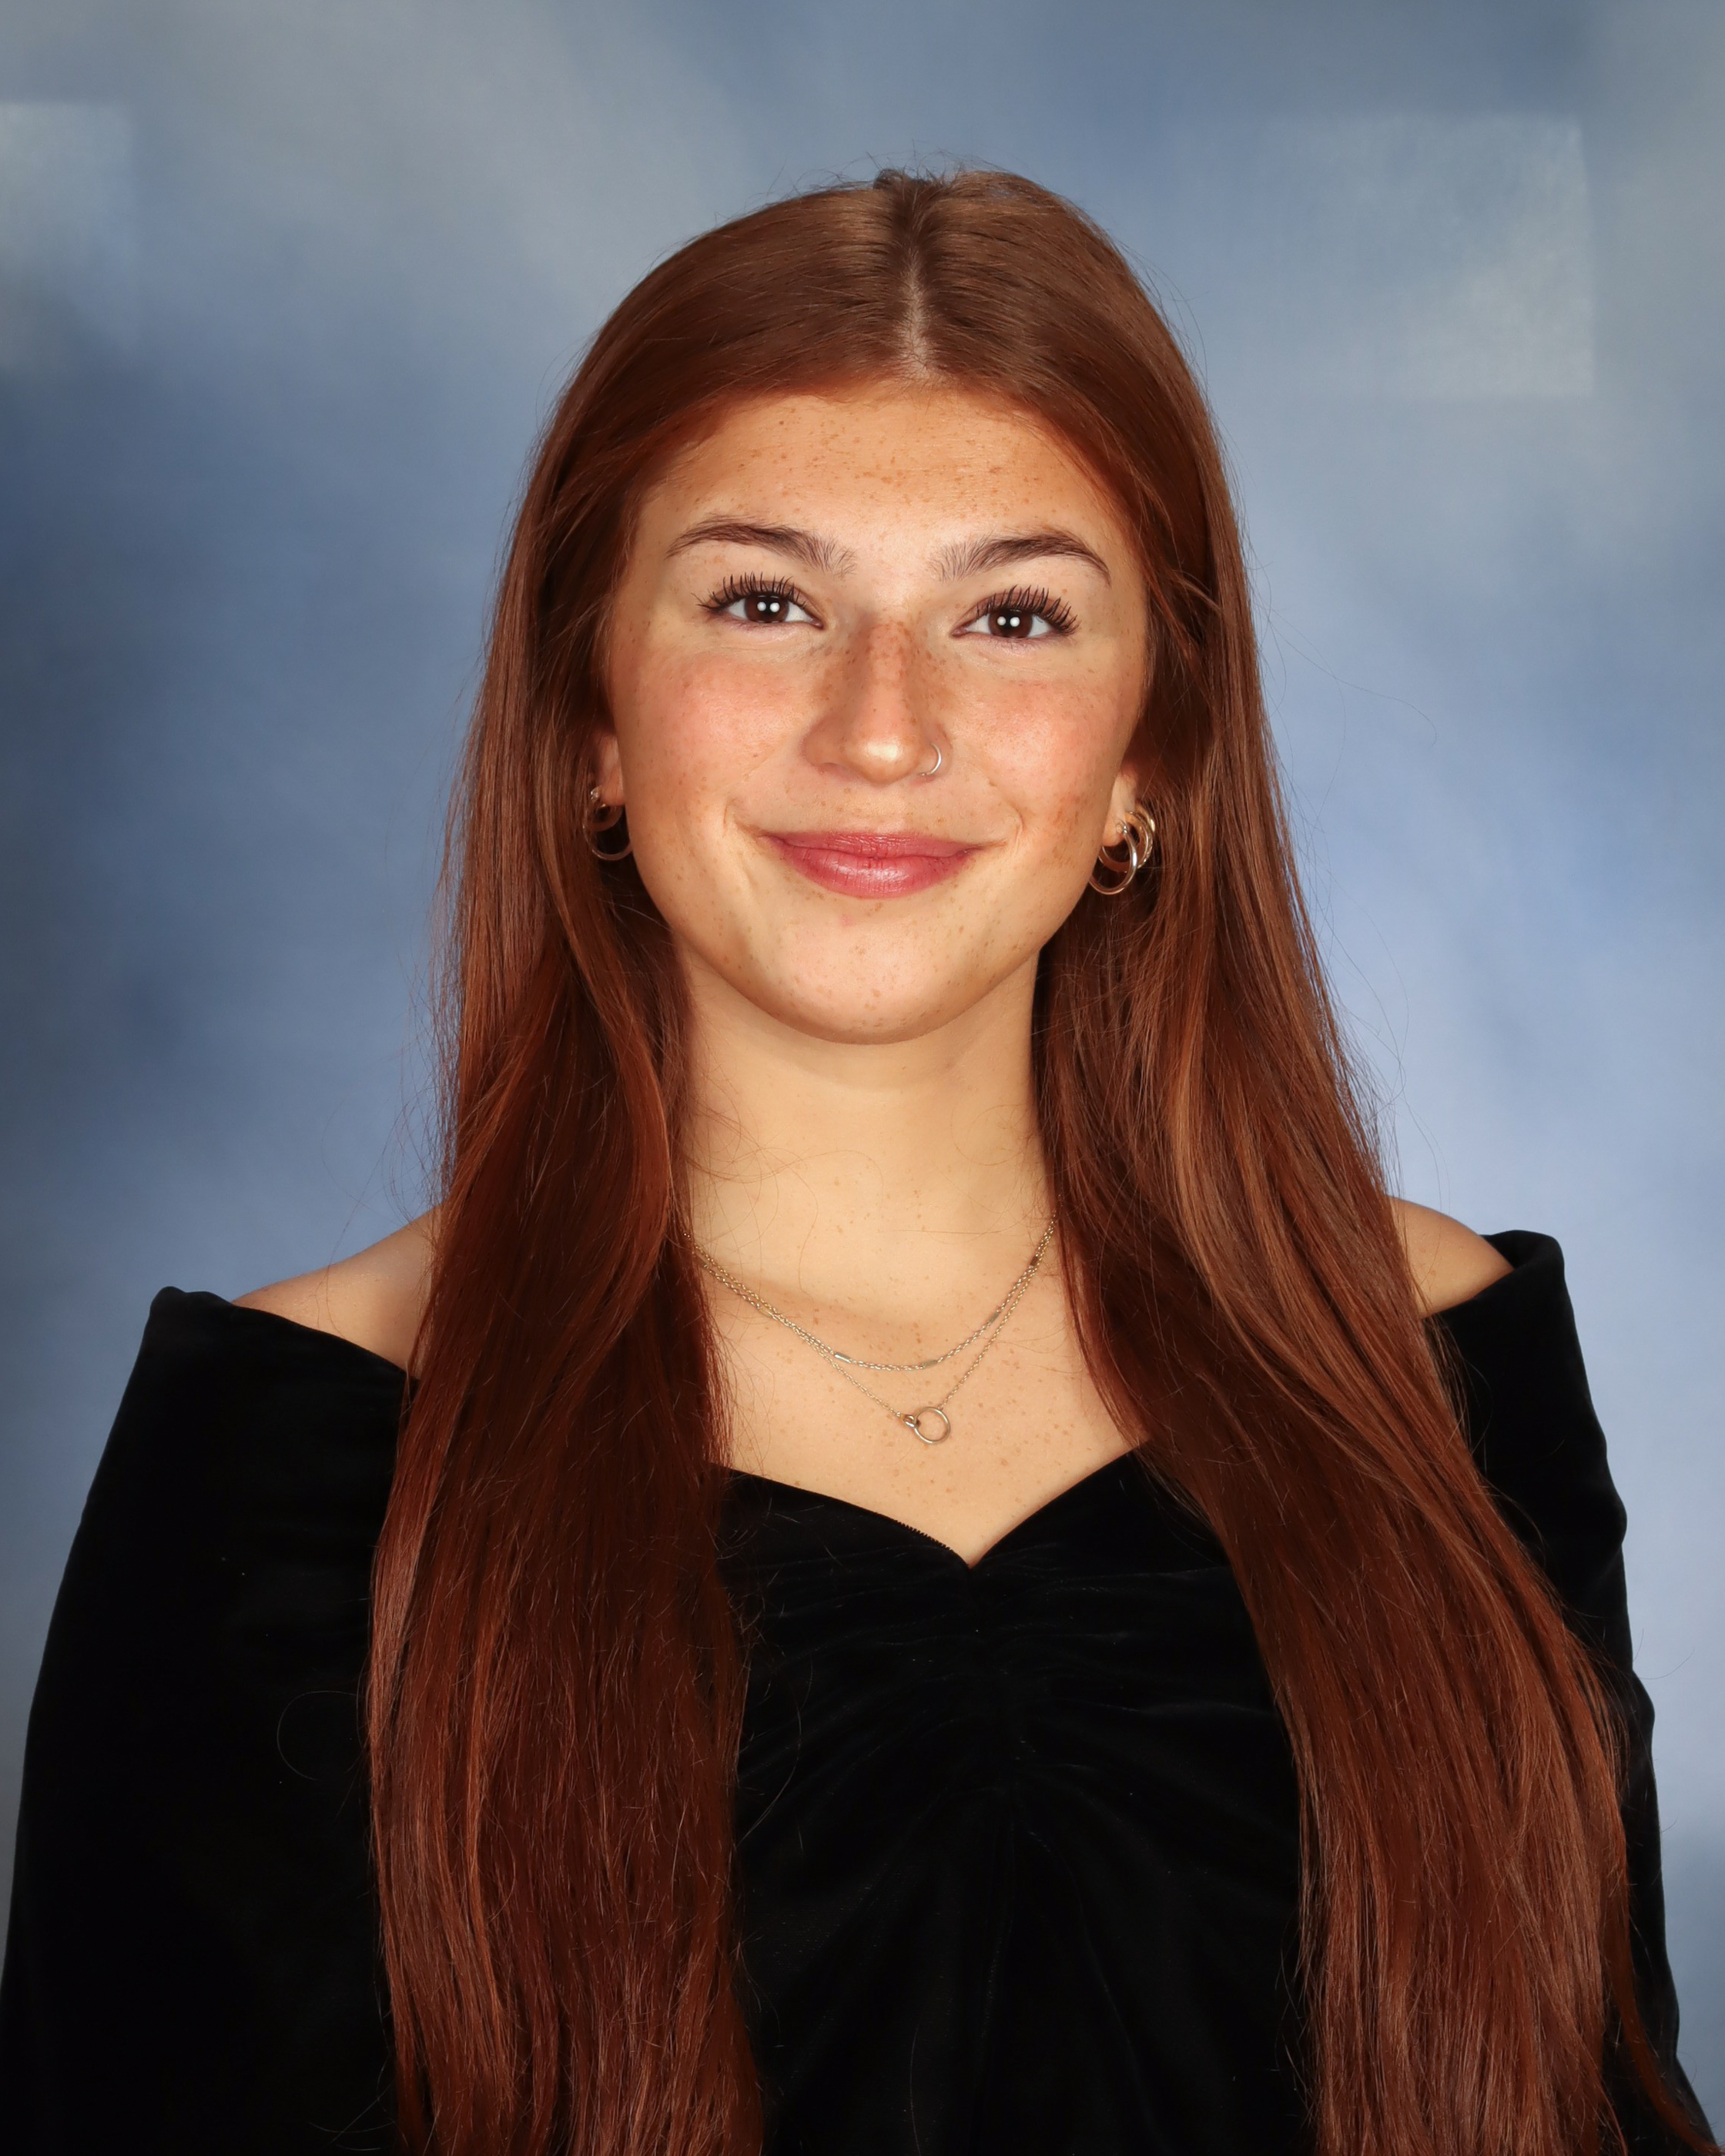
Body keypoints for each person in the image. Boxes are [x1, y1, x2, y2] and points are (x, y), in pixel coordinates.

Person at [0, 169, 1712, 2156]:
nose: (883, 729)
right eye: (765, 603)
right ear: (591, 722)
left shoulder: (1431, 1363)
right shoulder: (293, 1451)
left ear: (1150, 753)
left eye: (1012, 616)